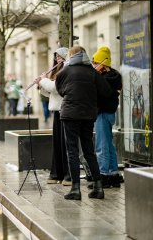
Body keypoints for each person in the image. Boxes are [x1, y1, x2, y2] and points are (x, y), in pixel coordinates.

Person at [56, 46, 112, 200]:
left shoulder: (64, 72)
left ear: (71, 56)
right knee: (89, 150)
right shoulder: (93, 72)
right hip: (88, 115)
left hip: (70, 115)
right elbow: (106, 91)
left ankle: (75, 189)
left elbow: (60, 90)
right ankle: (98, 187)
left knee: (72, 151)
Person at [36, 47, 72, 186]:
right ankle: (57, 173)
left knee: (65, 144)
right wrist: (41, 85)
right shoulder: (56, 71)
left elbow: (56, 88)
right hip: (56, 111)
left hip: (65, 110)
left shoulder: (66, 71)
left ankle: (68, 175)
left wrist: (43, 81)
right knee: (57, 144)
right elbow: (50, 93)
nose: (57, 59)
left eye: (59, 56)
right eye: (56, 57)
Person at [92, 47, 123, 188]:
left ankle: (103, 176)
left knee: (101, 145)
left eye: (95, 63)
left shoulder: (104, 79)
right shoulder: (114, 77)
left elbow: (100, 95)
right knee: (109, 145)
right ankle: (113, 174)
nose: (93, 66)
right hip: (108, 113)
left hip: (103, 113)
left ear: (103, 64)